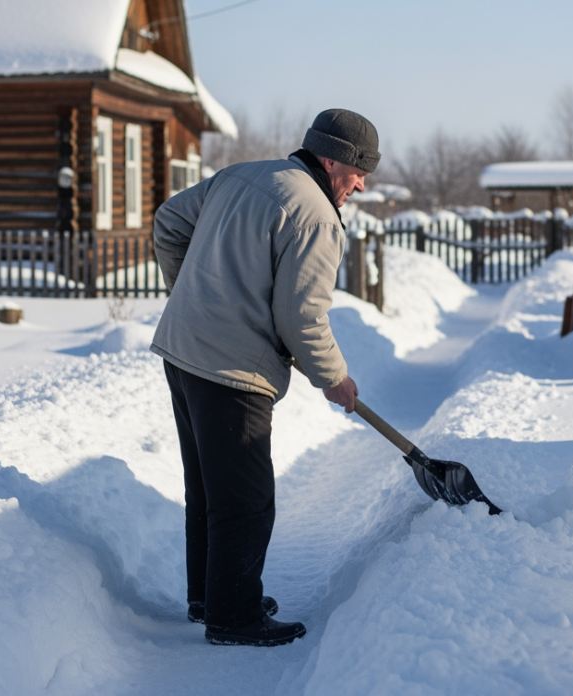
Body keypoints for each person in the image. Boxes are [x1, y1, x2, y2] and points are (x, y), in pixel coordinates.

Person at [150, 109, 378, 647]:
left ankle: (211, 595)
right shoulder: (317, 216)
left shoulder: (242, 175)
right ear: (330, 160)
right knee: (248, 500)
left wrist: (196, 300)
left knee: (208, 487)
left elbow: (167, 222)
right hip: (233, 370)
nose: (361, 184)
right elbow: (301, 316)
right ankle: (233, 616)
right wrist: (335, 378)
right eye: (358, 171)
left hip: (183, 353)